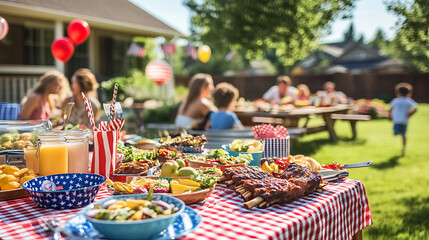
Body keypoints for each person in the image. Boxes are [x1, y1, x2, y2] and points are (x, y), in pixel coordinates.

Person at [389, 82, 418, 156]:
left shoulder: (396, 100)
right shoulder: (408, 100)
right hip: (404, 120)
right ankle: (403, 145)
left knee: (400, 133)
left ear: (398, 93)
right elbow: (415, 108)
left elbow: (391, 109)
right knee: (402, 133)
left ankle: (403, 146)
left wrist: (390, 116)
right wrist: (410, 114)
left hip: (398, 119)